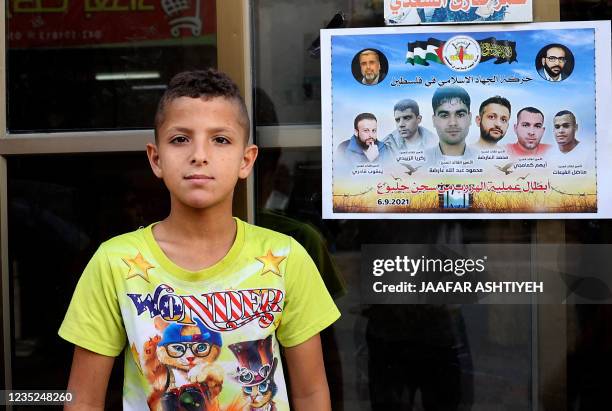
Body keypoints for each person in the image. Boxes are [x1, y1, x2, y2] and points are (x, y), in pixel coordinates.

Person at [59, 70, 340, 411]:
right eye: (180, 139)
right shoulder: (114, 262)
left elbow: (311, 394)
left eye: (220, 140)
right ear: (156, 158)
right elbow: (83, 401)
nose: (199, 155)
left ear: (246, 160)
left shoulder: (285, 256)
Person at [425, 86, 478, 163]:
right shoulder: (420, 161)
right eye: (444, 115)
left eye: (460, 115)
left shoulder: (485, 163)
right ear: (434, 120)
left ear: (469, 118)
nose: (453, 123)